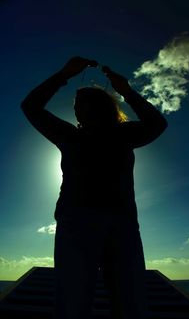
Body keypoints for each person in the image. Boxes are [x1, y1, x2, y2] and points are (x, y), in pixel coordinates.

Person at [21, 56, 168, 319]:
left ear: (102, 107)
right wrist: (63, 74)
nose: (77, 110)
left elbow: (158, 124)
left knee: (129, 305)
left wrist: (126, 91)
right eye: (76, 105)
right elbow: (30, 106)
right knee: (74, 306)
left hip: (119, 225)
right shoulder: (71, 136)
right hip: (79, 223)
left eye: (82, 104)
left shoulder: (124, 135)